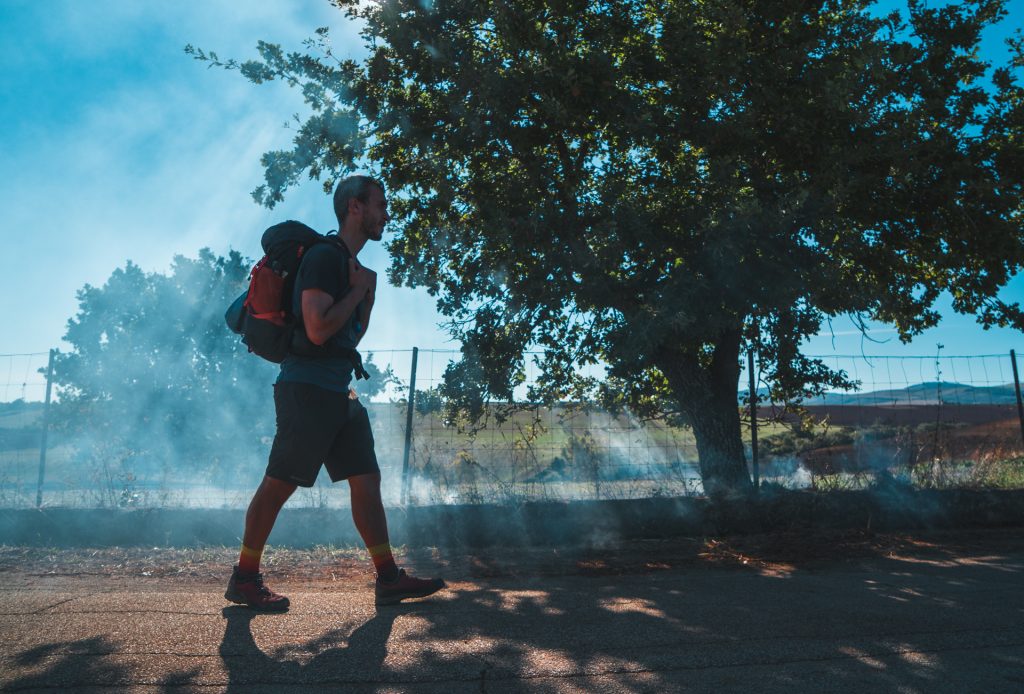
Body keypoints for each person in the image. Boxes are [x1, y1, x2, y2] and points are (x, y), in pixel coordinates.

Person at [225, 175, 446, 610]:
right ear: (355, 208)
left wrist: (366, 295)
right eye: (381, 204)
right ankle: (244, 578)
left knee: (366, 480)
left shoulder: (351, 266)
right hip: (306, 390)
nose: (388, 213)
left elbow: (346, 336)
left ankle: (387, 578)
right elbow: (318, 328)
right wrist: (359, 290)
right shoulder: (326, 258)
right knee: (278, 485)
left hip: (337, 390)